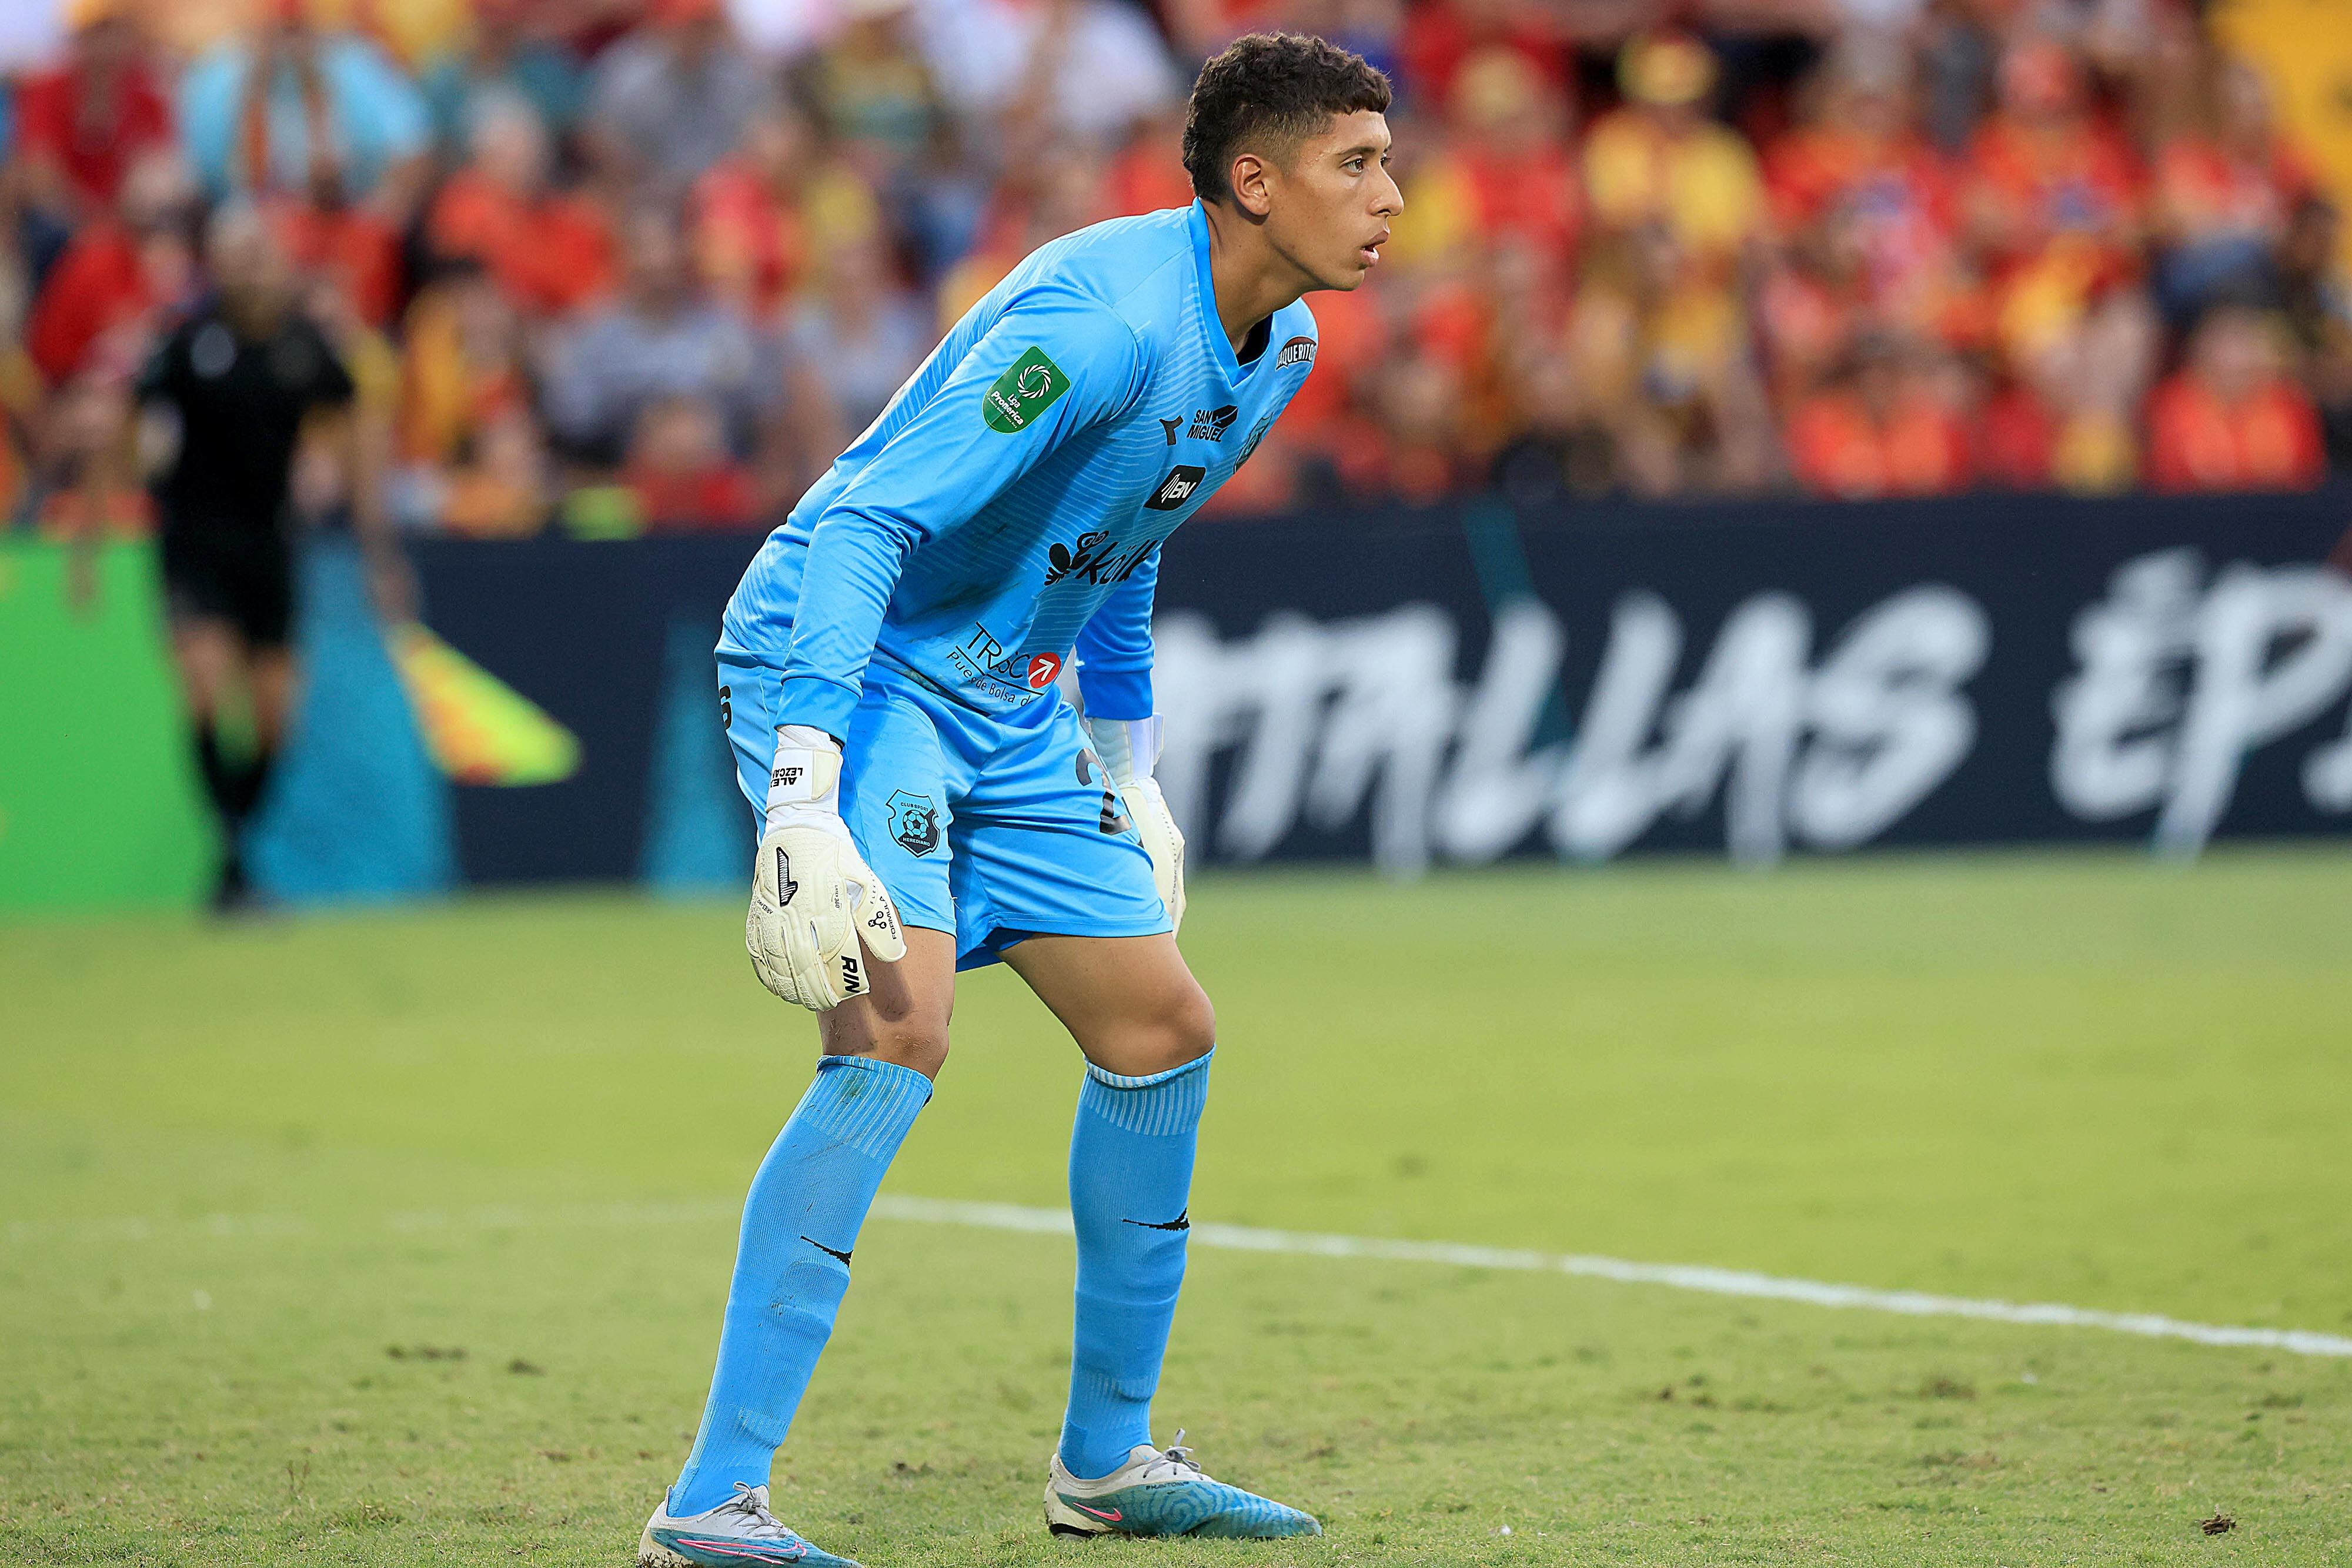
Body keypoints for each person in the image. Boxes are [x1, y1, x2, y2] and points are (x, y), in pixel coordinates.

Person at [639, 31, 1399, 1568]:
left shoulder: (1284, 348)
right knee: (900, 1025)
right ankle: (710, 1505)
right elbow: (860, 525)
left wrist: (1130, 765)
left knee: (1160, 1025)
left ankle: (1105, 1467)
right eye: (1357, 163)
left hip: (1011, 699)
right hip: (854, 667)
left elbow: (1125, 539)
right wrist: (803, 793)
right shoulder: (1099, 317)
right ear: (1254, 182)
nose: (1392, 195)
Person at [121, 206, 409, 910]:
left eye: (261, 252)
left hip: (271, 543)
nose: (251, 266)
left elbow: (354, 428)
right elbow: (132, 419)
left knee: (277, 715)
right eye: (237, 253)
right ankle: (233, 860)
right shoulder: (189, 344)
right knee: (206, 688)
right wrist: (118, 499)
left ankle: (233, 858)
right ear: (216, 265)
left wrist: (368, 532)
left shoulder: (307, 348)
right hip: (193, 541)